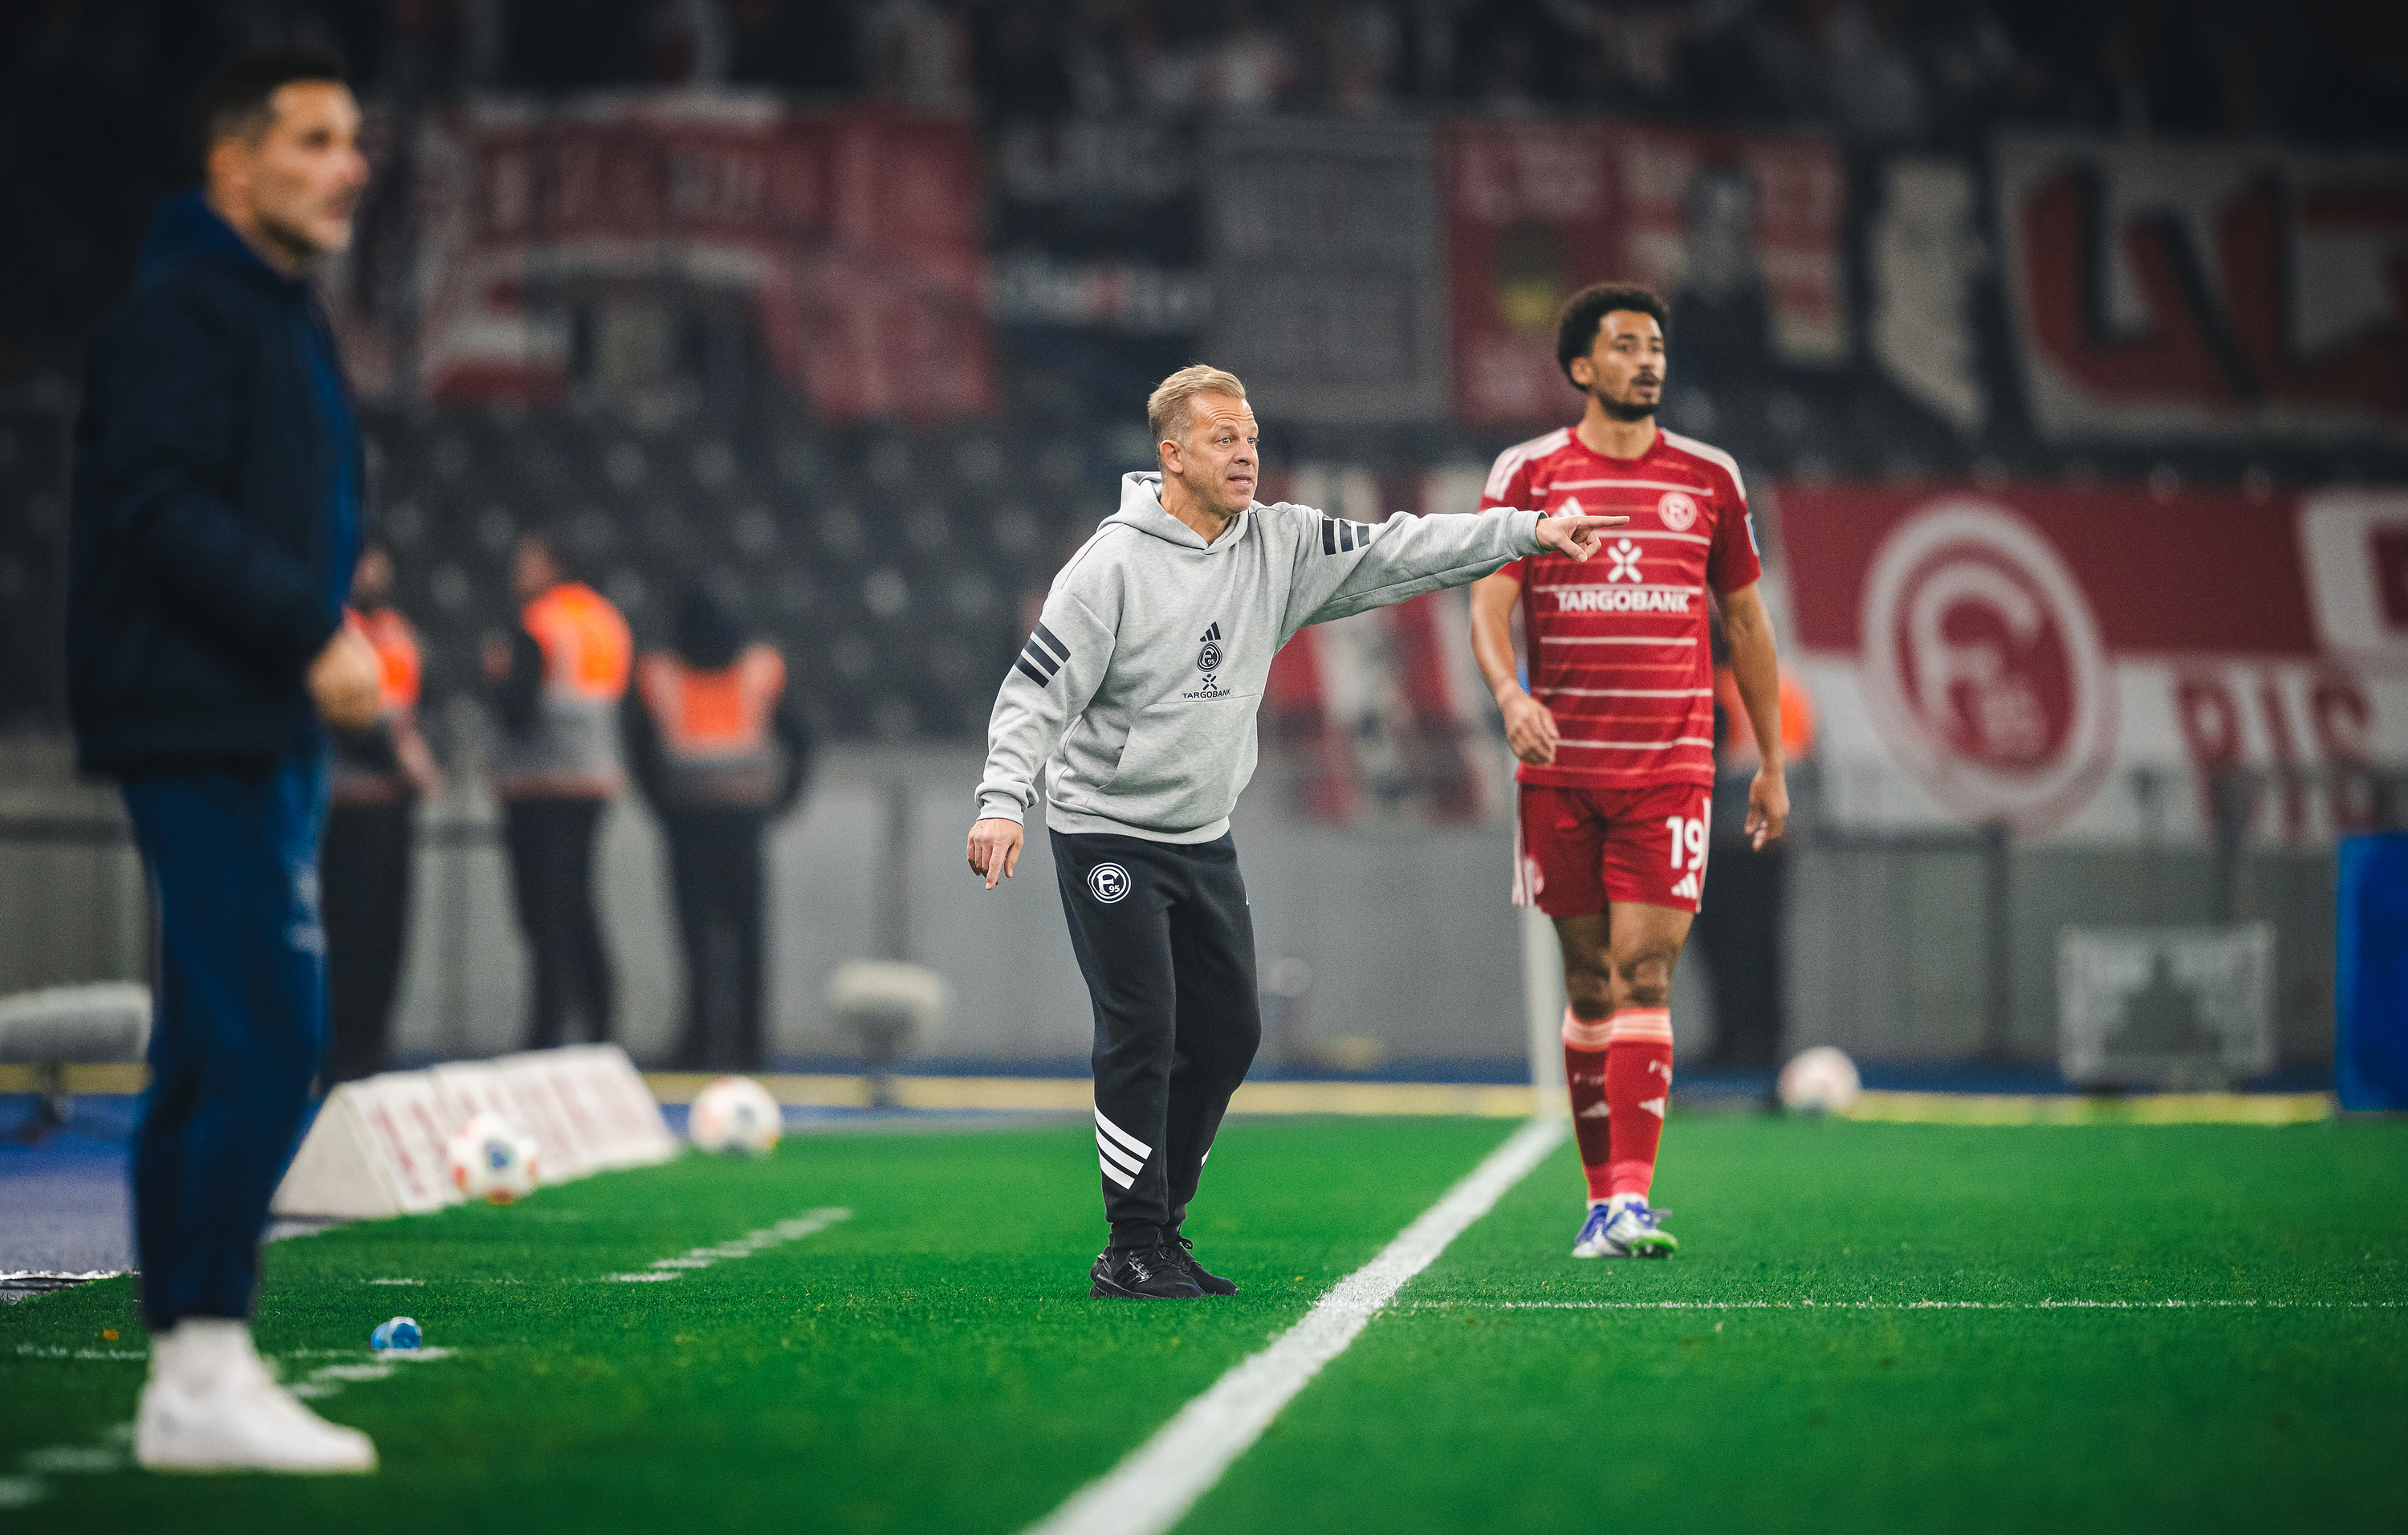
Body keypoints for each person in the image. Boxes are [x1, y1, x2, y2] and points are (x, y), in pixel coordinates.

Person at [967, 364, 1625, 1300]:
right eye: (1224, 440)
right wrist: (1003, 797)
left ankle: (1161, 1226)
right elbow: (1035, 691)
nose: (1245, 455)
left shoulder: (1281, 543)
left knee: (1229, 1033)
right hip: (1106, 831)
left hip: (1202, 834)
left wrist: (1527, 532)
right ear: (1172, 456)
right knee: (1142, 1028)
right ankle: (1133, 1240)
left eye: (1252, 438)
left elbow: (1406, 547)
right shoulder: (1107, 568)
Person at [63, 47, 380, 1472]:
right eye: (313, 138)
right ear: (232, 164)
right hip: (200, 711)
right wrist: (308, 629)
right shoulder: (186, 308)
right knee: (266, 1029)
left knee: (209, 1043)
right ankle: (202, 1359)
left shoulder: (273, 311)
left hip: (249, 713)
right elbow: (155, 503)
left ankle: (188, 1374)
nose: (347, 164)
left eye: (353, 140)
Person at [1468, 282, 1790, 1261]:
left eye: (1655, 346)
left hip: (1671, 769)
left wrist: (1772, 761)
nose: (1646, 360)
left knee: (1644, 968)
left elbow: (1745, 623)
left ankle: (1629, 1204)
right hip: (1560, 773)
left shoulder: (1708, 478)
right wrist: (1512, 698)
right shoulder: (1526, 473)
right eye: (1623, 346)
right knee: (1589, 985)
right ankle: (1599, 1195)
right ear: (1580, 367)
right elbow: (1488, 606)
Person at [624, 585, 811, 1071]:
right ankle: (748, 1048)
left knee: (695, 939)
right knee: (746, 937)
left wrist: (659, 807)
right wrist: (785, 799)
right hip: (743, 822)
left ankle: (700, 1046)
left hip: (687, 823)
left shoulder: (661, 673)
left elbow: (640, 751)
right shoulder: (759, 667)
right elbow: (801, 737)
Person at [485, 533, 633, 1050]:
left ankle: (546, 1027)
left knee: (543, 912)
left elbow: (517, 710)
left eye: (526, 561)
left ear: (551, 565)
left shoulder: (540, 623)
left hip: (539, 788)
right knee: (578, 902)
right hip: (592, 782)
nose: (516, 571)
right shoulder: (607, 620)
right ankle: (599, 1020)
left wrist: (498, 677)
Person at [321, 543, 440, 1085]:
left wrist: (420, 761)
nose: (373, 573)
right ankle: (338, 1051)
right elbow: (340, 715)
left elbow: (422, 708)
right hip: (342, 806)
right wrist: (401, 761)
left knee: (388, 932)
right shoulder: (330, 628)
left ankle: (373, 1045)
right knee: (345, 932)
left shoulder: (401, 634)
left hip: (393, 809)